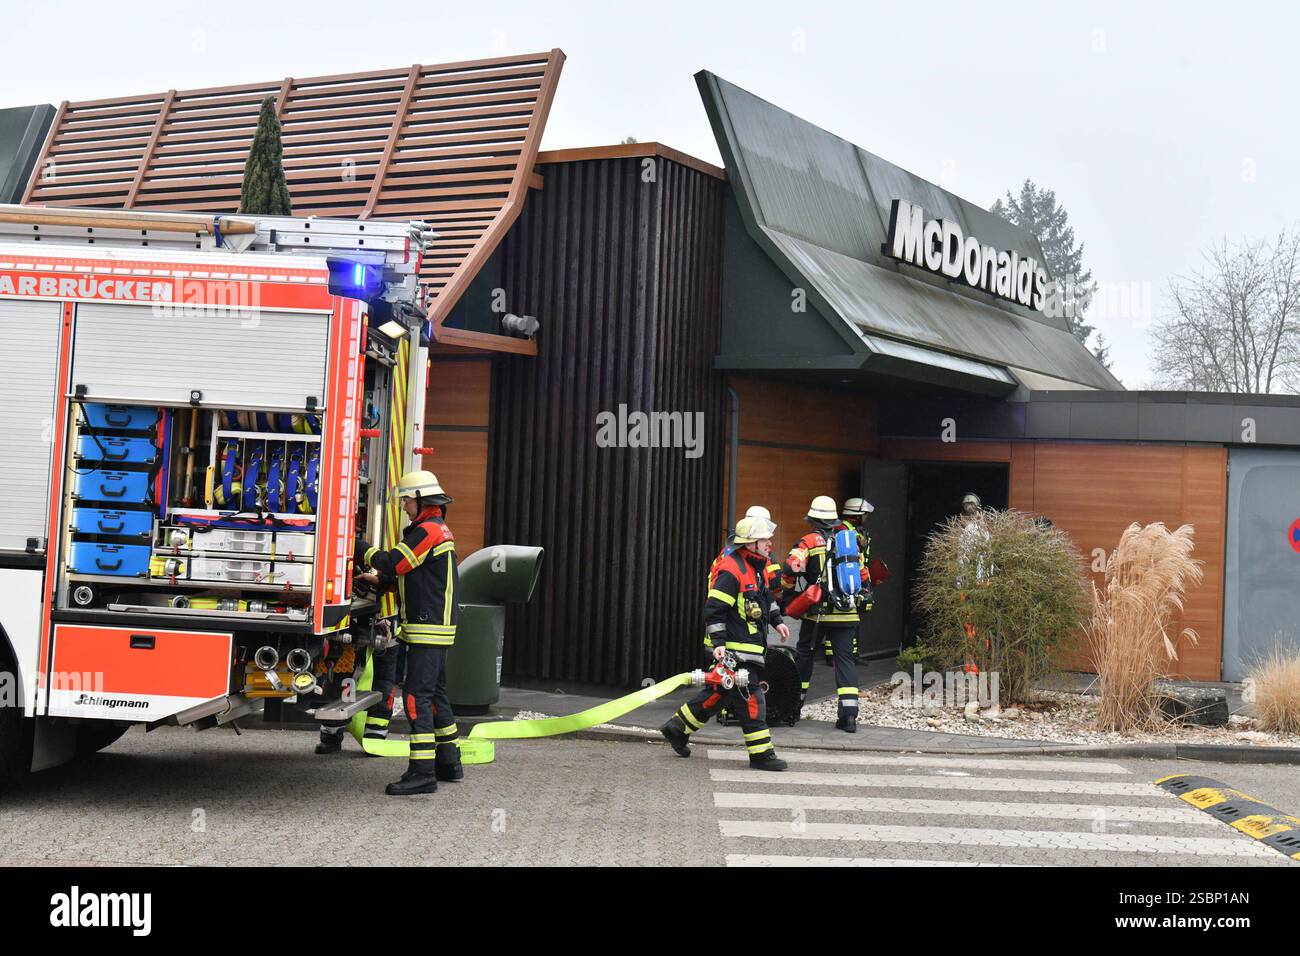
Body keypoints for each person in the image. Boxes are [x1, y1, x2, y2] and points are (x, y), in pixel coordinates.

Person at [353, 470, 463, 795]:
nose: (403, 506)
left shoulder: (429, 530)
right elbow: (410, 575)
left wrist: (358, 546)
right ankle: (448, 760)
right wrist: (380, 582)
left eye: (406, 499)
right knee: (436, 695)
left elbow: (393, 561)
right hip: (432, 628)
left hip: (429, 628)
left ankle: (422, 773)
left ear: (421, 499)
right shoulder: (432, 528)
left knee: (416, 697)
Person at [660, 515, 790, 770]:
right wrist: (719, 643)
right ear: (750, 543)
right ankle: (762, 755)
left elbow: (766, 600)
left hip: (747, 646)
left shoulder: (759, 567)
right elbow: (715, 609)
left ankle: (677, 728)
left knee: (719, 694)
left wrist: (777, 621)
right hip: (732, 649)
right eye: (765, 538)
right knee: (751, 696)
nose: (770, 543)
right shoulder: (731, 569)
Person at [784, 496, 861, 732]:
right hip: (848, 613)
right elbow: (863, 575)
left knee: (805, 657)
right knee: (845, 661)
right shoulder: (849, 542)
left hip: (817, 613)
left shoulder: (807, 542)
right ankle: (848, 717)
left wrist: (785, 591)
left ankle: (793, 708)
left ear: (814, 520)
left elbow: (791, 568)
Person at [956, 492, 992, 673]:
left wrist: (960, 584)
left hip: (971, 585)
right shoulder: (985, 533)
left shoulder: (969, 533)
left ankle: (972, 664)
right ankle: (978, 663)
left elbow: (963, 561)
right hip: (982, 585)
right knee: (980, 626)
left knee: (971, 626)